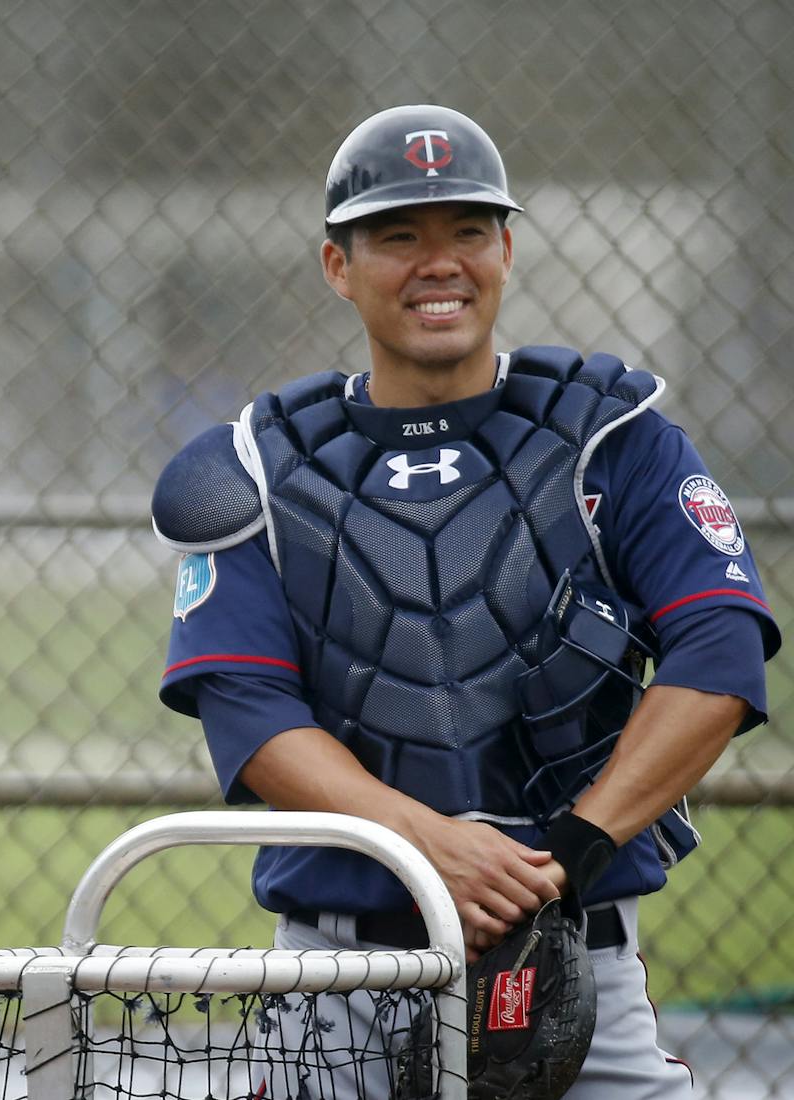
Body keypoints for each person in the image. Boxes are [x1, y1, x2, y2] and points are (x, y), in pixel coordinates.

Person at [152, 103, 780, 1098]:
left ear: (508, 249)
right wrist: (421, 838)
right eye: (398, 236)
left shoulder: (613, 439)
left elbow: (721, 648)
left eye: (468, 234)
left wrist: (574, 847)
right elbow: (247, 707)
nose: (437, 262)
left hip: (572, 959)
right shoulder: (259, 465)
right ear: (336, 265)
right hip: (336, 976)